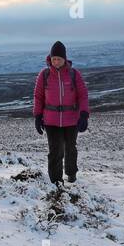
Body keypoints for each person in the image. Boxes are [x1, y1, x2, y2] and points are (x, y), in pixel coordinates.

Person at [33, 41, 90, 186]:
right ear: (50, 59)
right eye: (53, 59)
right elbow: (38, 96)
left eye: (58, 59)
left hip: (71, 119)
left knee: (70, 148)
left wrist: (84, 114)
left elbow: (82, 95)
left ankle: (71, 173)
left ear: (64, 59)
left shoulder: (73, 74)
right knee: (55, 151)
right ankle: (56, 182)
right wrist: (38, 116)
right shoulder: (44, 75)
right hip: (51, 120)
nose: (56, 62)